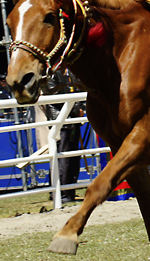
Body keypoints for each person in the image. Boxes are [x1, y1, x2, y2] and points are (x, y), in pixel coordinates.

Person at [44, 70, 85, 203]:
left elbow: (79, 92)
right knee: (63, 159)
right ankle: (61, 193)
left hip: (73, 122)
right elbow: (55, 96)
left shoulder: (72, 73)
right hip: (60, 122)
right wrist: (76, 110)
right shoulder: (51, 75)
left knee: (73, 159)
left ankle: (70, 191)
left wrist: (81, 109)